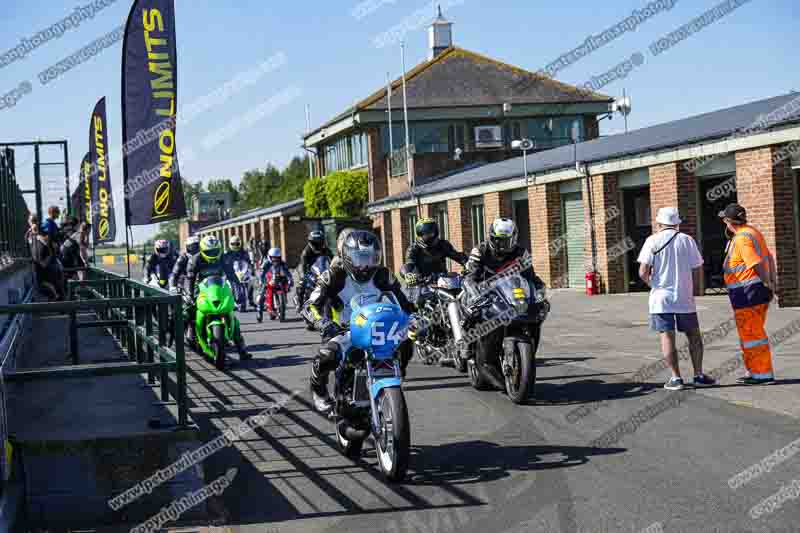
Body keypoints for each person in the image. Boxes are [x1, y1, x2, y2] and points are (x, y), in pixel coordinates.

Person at [306, 229, 416, 413]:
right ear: (347, 256)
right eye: (360, 258)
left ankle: (398, 373)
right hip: (346, 330)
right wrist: (323, 323)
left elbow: (403, 302)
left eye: (370, 258)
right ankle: (320, 392)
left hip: (381, 328)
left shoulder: (384, 275)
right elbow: (310, 306)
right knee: (324, 358)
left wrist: (414, 316)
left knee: (407, 339)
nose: (365, 265)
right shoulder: (333, 275)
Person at [638, 207, 715, 390]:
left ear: (659, 223)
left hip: (661, 298)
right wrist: (694, 289)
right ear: (677, 223)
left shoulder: (652, 241)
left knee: (667, 337)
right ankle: (698, 375)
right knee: (694, 335)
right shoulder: (687, 240)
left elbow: (642, 272)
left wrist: (653, 285)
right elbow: (697, 268)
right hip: (684, 297)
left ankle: (676, 378)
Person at [463, 217, 545, 388]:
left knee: (537, 313)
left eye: (506, 241)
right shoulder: (480, 250)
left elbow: (530, 275)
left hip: (511, 291)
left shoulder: (522, 253)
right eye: (498, 240)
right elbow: (471, 275)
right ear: (491, 238)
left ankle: (526, 356)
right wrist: (473, 286)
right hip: (485, 293)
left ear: (514, 239)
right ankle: (471, 349)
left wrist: (539, 288)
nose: (502, 245)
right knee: (472, 312)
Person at [719, 203, 777, 384]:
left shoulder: (742, 238)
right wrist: (771, 282)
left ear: (728, 221)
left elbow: (756, 263)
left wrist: (767, 281)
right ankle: (754, 371)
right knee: (751, 332)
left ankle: (762, 374)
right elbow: (769, 257)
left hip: (747, 293)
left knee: (752, 335)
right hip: (755, 291)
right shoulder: (753, 232)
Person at [184, 235, 252, 359]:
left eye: (215, 251)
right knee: (188, 312)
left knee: (232, 316)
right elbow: (190, 279)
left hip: (219, 287)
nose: (212, 254)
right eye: (209, 252)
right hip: (200, 289)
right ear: (202, 250)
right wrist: (189, 295)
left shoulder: (223, 258)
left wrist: (238, 293)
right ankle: (189, 338)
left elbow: (232, 276)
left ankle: (242, 349)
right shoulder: (194, 259)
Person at [400, 218, 468, 285]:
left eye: (432, 232)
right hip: (422, 284)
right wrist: (407, 274)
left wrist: (468, 264)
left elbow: (458, 256)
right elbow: (409, 264)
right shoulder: (413, 249)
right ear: (420, 234)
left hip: (443, 282)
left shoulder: (442, 245)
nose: (431, 235)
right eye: (427, 233)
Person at [297, 230, 333, 305]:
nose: (318, 245)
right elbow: (302, 265)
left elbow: (333, 260)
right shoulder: (306, 252)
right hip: (309, 271)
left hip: (323, 271)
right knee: (301, 285)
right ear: (310, 242)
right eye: (315, 243)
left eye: (320, 243)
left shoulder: (326, 250)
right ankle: (299, 303)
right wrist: (303, 276)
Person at [259, 247, 294, 320]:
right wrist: (261, 281)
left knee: (286, 286)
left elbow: (288, 273)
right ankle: (259, 313)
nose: (275, 259)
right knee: (262, 295)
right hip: (269, 279)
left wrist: (290, 280)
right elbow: (261, 273)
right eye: (273, 258)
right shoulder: (266, 263)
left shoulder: (282, 263)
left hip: (280, 279)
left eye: (277, 257)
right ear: (269, 257)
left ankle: (283, 303)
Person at [30, 224, 63, 300]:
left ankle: (56, 297)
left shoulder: (39, 242)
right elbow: (43, 261)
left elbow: (45, 259)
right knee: (52, 286)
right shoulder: (40, 242)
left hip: (46, 270)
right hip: (45, 270)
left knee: (52, 286)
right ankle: (56, 297)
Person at [223, 235, 253, 308]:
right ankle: (229, 301)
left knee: (251, 283)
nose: (235, 245)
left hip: (242, 272)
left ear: (240, 243)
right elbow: (223, 263)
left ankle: (251, 299)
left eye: (237, 244)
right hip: (231, 273)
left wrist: (251, 268)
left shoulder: (244, 252)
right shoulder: (227, 253)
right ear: (230, 244)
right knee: (227, 286)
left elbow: (248, 261)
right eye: (233, 244)